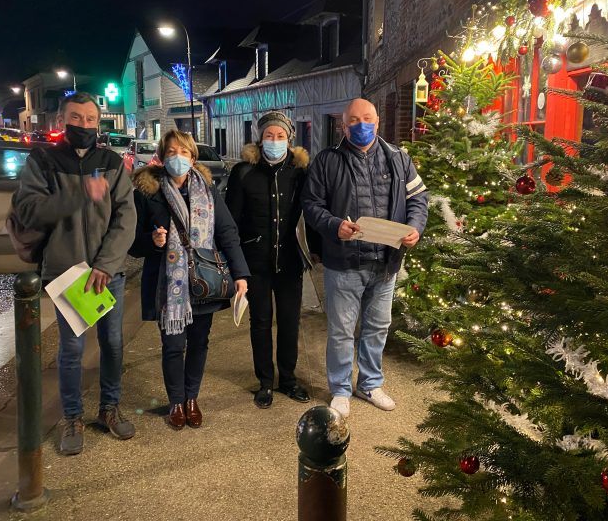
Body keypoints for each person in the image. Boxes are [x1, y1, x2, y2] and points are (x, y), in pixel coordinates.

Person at [15, 92, 137, 455]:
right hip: (67, 274)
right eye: (76, 117)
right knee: (72, 350)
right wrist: (80, 194)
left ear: (99, 123)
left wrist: (106, 264)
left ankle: (109, 408)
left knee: (113, 345)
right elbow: (29, 211)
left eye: (90, 119)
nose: (83, 125)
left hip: (105, 273)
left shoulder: (111, 162)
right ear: (60, 120)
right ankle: (72, 417)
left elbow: (125, 218)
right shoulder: (43, 160)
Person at [301, 98, 429, 418]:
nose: (361, 125)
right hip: (344, 262)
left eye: (367, 118)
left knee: (377, 327)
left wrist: (414, 228)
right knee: (342, 330)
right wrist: (334, 226)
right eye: (354, 121)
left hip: (385, 262)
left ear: (378, 120)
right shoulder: (326, 161)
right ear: (344, 126)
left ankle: (370, 383)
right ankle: (341, 388)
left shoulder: (399, 158)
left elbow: (419, 199)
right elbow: (312, 205)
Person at [130, 130, 249, 429]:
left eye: (184, 152)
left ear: (193, 158)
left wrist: (241, 275)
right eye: (171, 152)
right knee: (173, 345)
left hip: (205, 280)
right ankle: (176, 402)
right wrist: (151, 241)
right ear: (161, 156)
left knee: (199, 343)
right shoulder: (147, 193)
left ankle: (192, 398)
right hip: (166, 284)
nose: (178, 158)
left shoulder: (207, 192)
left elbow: (227, 233)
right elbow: (131, 242)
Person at [225, 111, 320, 409]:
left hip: (290, 261)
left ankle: (288, 379)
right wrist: (235, 263)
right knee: (261, 322)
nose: (275, 141)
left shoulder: (300, 173)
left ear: (290, 140)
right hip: (255, 262)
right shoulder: (243, 172)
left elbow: (312, 214)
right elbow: (231, 222)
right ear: (260, 138)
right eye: (269, 136)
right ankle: (265, 381)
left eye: (280, 136)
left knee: (290, 322)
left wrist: (315, 249)